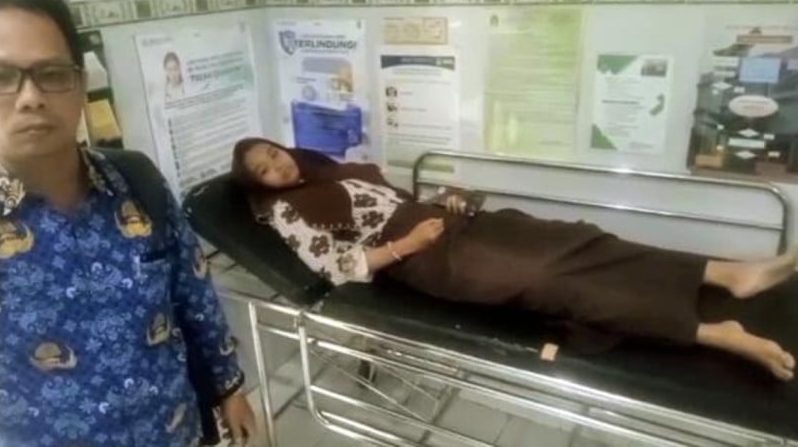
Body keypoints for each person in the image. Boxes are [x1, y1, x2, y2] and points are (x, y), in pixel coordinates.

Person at [230, 137, 798, 382]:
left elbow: (396, 198)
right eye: (263, 169)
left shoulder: (333, 171)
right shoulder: (286, 212)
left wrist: (446, 199)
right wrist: (409, 246)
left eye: (274, 153)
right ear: (258, 183)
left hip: (448, 222)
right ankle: (713, 333)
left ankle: (725, 272)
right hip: (424, 259)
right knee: (555, 279)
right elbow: (336, 266)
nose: (277, 166)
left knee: (579, 239)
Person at [0, 0, 255, 445]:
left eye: (52, 74)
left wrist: (228, 388)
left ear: (81, 83)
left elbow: (195, 297)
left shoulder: (137, 182)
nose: (30, 98)